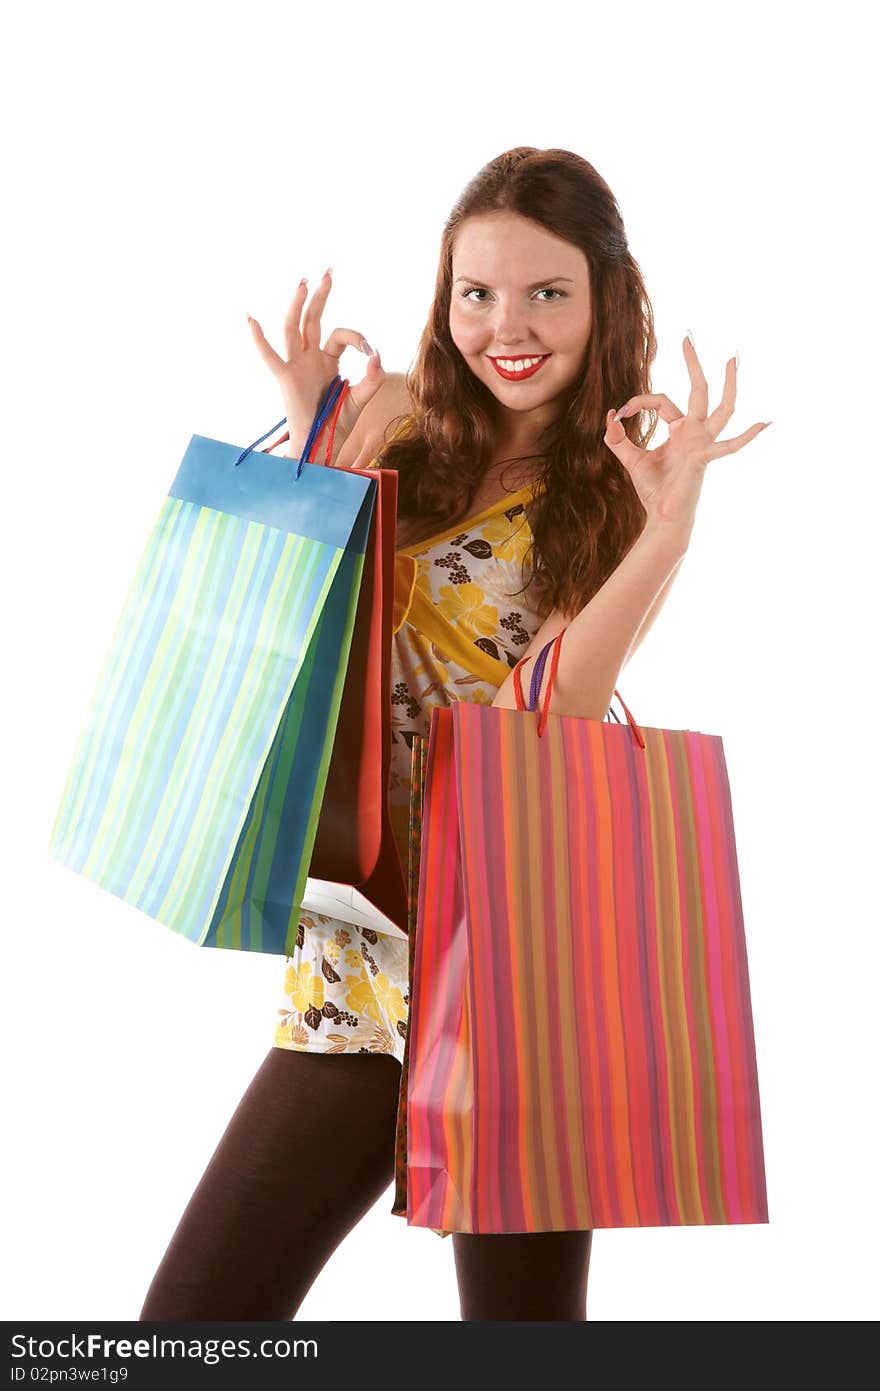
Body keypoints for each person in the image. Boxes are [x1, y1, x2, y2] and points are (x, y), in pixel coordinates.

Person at [138, 146, 767, 1323]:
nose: (506, 326)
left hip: (513, 956)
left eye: (546, 292)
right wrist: (310, 436)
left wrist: (669, 528)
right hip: (359, 945)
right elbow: (296, 637)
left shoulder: (620, 480)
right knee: (190, 1327)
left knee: (522, 1340)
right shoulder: (391, 417)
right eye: (476, 293)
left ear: (607, 300)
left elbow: (558, 719)